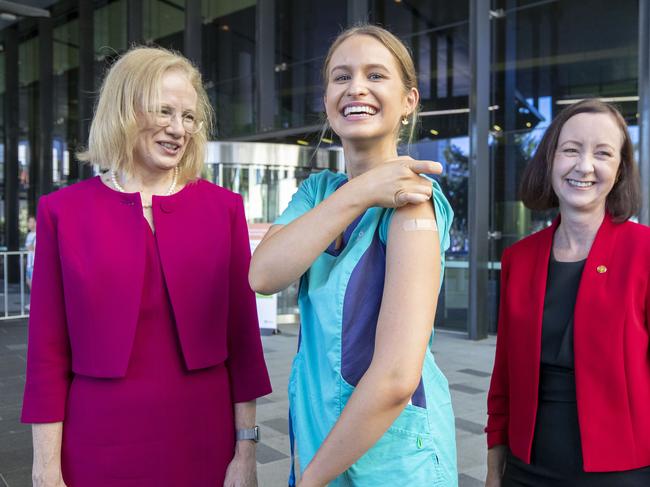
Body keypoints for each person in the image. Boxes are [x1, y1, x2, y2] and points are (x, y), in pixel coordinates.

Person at [22, 46, 272, 487]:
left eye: (189, 117)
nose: (179, 129)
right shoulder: (62, 212)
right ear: (124, 109)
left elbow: (244, 342)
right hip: (97, 442)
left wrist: (246, 450)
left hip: (204, 439)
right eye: (164, 111)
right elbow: (47, 350)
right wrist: (46, 468)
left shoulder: (224, 209)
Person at [250, 24, 457, 486]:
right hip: (318, 442)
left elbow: (396, 378)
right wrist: (361, 190)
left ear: (409, 101)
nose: (355, 88)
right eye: (341, 77)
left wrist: (309, 481)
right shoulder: (319, 191)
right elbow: (263, 275)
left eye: (376, 75)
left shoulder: (414, 201)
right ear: (326, 100)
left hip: (393, 463)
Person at [485, 99, 650, 486]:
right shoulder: (519, 259)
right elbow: (503, 380)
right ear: (550, 159)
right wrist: (494, 471)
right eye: (571, 150)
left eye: (603, 153)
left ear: (620, 168)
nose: (584, 166)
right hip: (527, 470)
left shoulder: (644, 253)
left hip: (624, 471)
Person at [25, 215, 36, 292]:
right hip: (29, 264)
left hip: (34, 265)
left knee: (34, 286)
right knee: (28, 283)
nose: (28, 224)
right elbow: (28, 247)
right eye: (28, 222)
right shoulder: (29, 235)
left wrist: (31, 247)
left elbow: (35, 248)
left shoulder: (38, 234)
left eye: (30, 222)